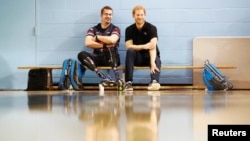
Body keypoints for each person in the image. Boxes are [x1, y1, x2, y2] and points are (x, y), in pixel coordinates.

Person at [78, 6, 124, 91]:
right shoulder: (93, 29)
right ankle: (103, 76)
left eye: (110, 14)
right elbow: (88, 43)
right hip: (98, 57)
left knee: (111, 48)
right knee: (81, 54)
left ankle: (118, 78)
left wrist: (98, 37)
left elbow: (113, 40)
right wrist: (104, 45)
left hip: (111, 58)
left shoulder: (115, 29)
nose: (108, 16)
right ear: (101, 15)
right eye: (106, 14)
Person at [124, 5, 161, 91]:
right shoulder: (129, 29)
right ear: (133, 16)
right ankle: (128, 82)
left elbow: (152, 46)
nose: (140, 17)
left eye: (141, 15)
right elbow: (129, 46)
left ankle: (154, 81)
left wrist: (152, 62)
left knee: (155, 59)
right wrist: (143, 46)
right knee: (130, 51)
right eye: (137, 15)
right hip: (138, 57)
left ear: (145, 15)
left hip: (150, 56)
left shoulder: (151, 28)